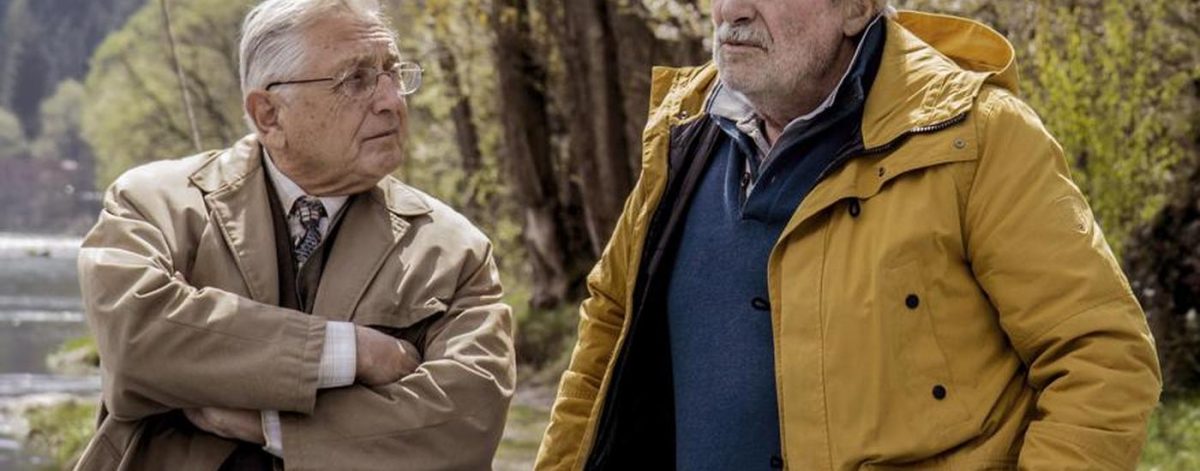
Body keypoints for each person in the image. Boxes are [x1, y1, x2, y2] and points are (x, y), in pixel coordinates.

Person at [535, 0, 1162, 469]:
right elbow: (609, 326)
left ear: (857, 7)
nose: (731, 11)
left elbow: (1102, 357)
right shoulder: (682, 131)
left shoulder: (978, 137)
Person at [74, 0, 514, 469]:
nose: (392, 101)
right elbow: (135, 340)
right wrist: (349, 352)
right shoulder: (152, 204)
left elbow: (467, 418)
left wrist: (273, 428)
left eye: (392, 72)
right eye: (356, 79)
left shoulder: (455, 251)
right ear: (269, 114)